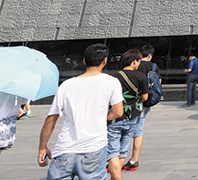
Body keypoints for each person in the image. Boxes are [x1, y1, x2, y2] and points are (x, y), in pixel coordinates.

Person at [38, 43, 124, 180]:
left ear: (84, 61)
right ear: (105, 61)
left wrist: (42, 147)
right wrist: (102, 117)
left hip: (64, 150)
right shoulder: (112, 82)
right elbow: (118, 112)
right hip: (94, 149)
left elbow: (50, 120)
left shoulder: (66, 85)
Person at [107, 49, 149, 180]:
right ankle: (117, 177)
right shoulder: (141, 76)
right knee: (123, 150)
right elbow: (145, 97)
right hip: (132, 117)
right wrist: (136, 101)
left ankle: (116, 177)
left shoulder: (113, 77)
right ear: (134, 61)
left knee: (112, 151)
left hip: (115, 118)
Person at [123, 43, 157, 172]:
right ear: (150, 55)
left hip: (127, 102)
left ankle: (118, 159)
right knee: (138, 130)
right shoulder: (153, 66)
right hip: (144, 102)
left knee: (125, 130)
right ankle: (133, 160)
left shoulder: (133, 66)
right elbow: (157, 83)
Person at [0, 91, 28, 172]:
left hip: (1, 121)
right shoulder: (17, 89)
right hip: (9, 122)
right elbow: (24, 101)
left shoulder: (1, 89)